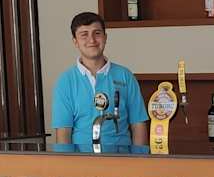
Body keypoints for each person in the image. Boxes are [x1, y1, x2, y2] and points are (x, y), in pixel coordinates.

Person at [51, 12, 149, 154]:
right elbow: (63, 132)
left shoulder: (125, 76)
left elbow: (138, 124)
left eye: (97, 33)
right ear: (75, 42)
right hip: (82, 160)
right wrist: (67, 164)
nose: (92, 40)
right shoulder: (65, 81)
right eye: (84, 34)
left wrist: (139, 162)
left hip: (121, 159)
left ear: (105, 37)